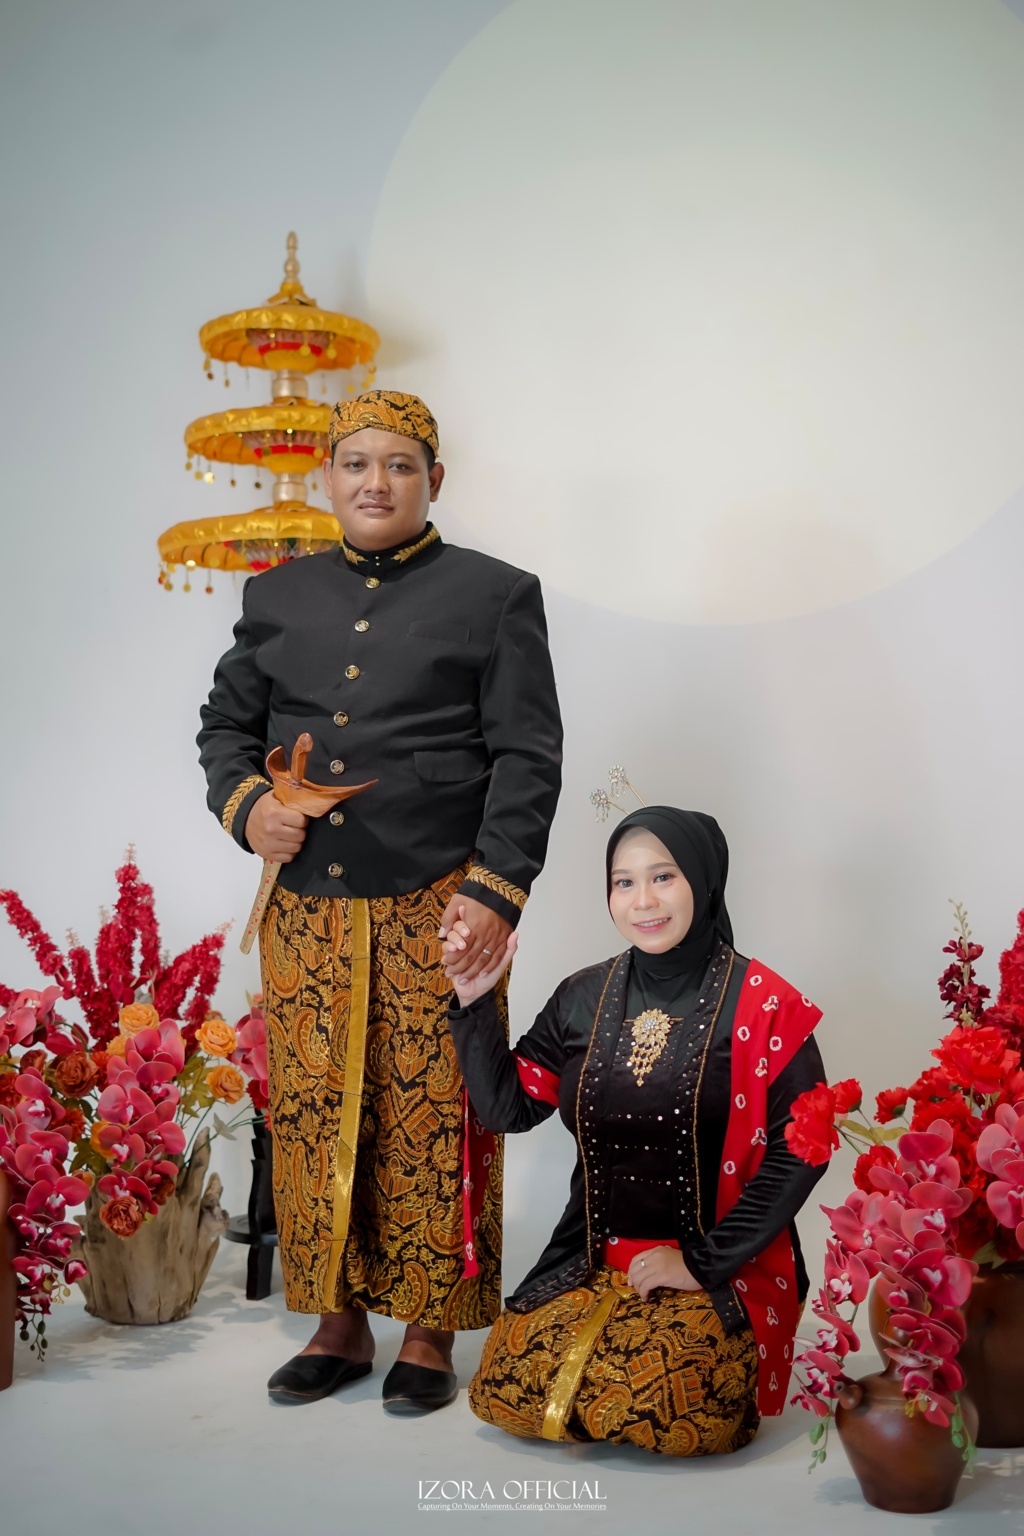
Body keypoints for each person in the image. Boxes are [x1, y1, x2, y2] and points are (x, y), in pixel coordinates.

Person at [197, 390, 562, 1413]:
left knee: (436, 1111)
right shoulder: (278, 594)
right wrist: (249, 809)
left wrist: (495, 891)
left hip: (440, 899)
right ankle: (337, 1323)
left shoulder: (496, 594)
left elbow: (528, 757)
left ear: (433, 481)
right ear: (328, 478)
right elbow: (224, 728)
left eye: (399, 465)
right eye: (355, 463)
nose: (375, 482)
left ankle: (431, 1329)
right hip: (307, 908)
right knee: (316, 1111)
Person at [445, 805, 827, 1454]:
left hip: (717, 1267)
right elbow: (510, 1110)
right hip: (589, 1259)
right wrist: (475, 1003)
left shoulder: (767, 1005)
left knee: (675, 1407)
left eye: (663, 877)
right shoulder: (582, 997)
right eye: (623, 882)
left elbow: (803, 1152)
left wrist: (699, 1263)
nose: (642, 901)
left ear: (704, 880)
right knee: (507, 1389)